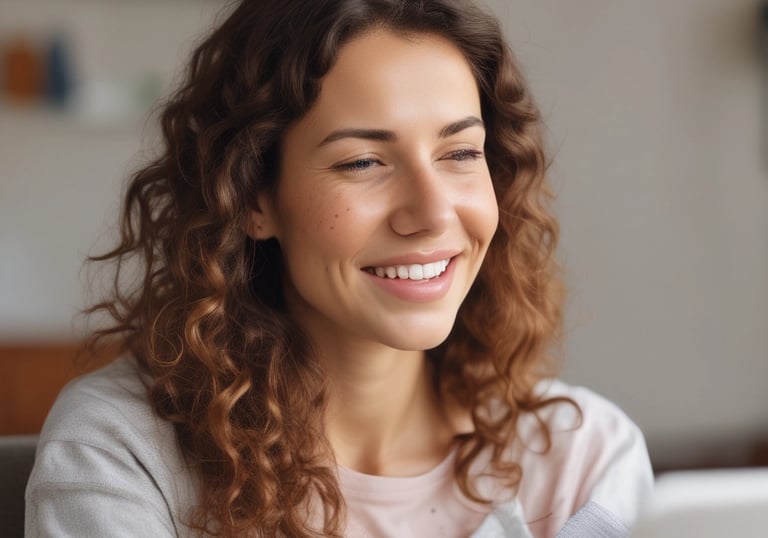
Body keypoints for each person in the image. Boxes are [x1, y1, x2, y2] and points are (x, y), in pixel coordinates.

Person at [25, 0, 653, 536]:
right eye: (363, 163)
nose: (433, 213)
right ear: (251, 197)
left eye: (460, 152)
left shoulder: (582, 458)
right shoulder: (122, 453)